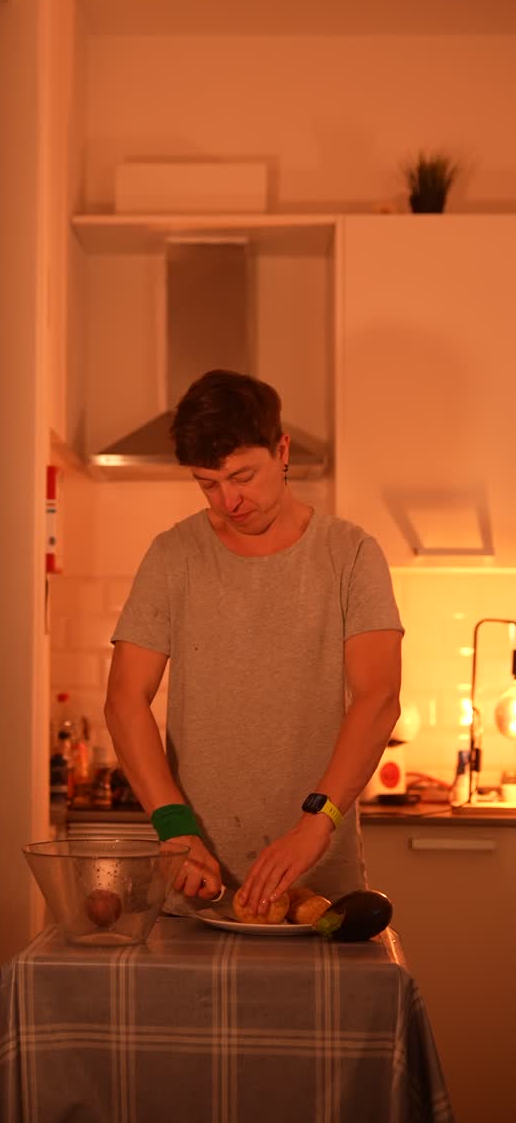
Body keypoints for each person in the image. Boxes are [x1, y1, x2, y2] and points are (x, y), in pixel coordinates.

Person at [104, 369, 403, 919]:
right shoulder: (173, 556)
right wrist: (175, 830)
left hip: (319, 887)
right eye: (208, 484)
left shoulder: (351, 554)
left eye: (243, 476)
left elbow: (378, 696)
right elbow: (124, 699)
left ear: (281, 449)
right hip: (199, 885)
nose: (229, 501)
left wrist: (317, 825)